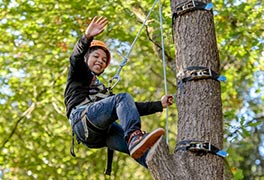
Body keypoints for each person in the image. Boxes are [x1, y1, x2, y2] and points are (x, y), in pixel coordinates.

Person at [64, 16, 173, 169]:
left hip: (98, 134)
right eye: (96, 56)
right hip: (81, 120)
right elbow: (75, 57)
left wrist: (158, 104)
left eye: (103, 60)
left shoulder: (103, 91)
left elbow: (129, 108)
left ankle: (167, 170)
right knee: (121, 99)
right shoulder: (79, 73)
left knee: (145, 152)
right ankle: (134, 136)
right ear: (86, 58)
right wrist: (87, 37)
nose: (100, 61)